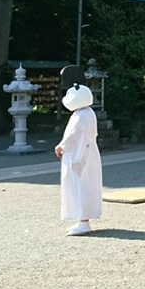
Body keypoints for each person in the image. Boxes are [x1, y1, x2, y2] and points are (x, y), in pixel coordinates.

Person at [55, 83, 102, 236]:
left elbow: (72, 135)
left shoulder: (80, 116)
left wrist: (61, 146)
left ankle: (83, 222)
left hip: (79, 153)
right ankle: (82, 219)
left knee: (78, 186)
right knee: (87, 184)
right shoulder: (88, 112)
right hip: (89, 151)